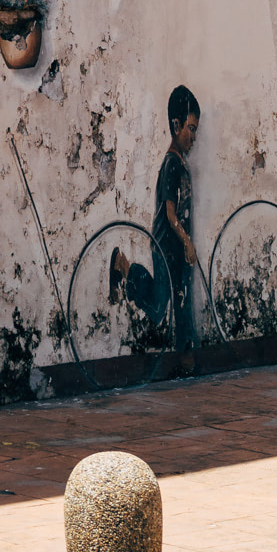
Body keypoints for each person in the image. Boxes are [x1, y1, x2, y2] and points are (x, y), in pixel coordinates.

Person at [110, 86, 201, 365]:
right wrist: (186, 240)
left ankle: (185, 354)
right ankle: (124, 267)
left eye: (196, 130)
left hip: (179, 249)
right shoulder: (171, 163)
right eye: (190, 128)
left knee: (182, 301)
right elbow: (170, 211)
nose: (194, 136)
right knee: (160, 306)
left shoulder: (181, 163)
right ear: (176, 125)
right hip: (166, 246)